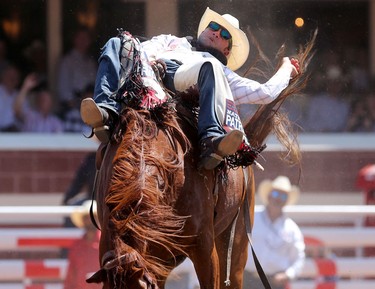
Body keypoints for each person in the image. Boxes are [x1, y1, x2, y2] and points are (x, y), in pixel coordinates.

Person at [80, 7, 299, 170]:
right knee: (118, 42)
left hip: (185, 78)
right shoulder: (171, 40)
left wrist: (287, 69)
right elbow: (143, 51)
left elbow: (265, 93)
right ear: (206, 28)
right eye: (214, 27)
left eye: (225, 35)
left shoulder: (222, 72)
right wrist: (152, 67)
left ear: (227, 50)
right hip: (146, 73)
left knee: (210, 65)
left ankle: (211, 140)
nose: (216, 33)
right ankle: (106, 112)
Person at [244, 175, 305, 289]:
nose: (278, 199)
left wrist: (287, 275)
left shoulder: (292, 229)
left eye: (283, 196)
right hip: (247, 279)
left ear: (286, 200)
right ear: (269, 195)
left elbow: (298, 258)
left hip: (274, 283)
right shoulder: (251, 218)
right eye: (276, 194)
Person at [57, 27, 97, 119]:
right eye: (81, 38)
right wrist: (74, 104)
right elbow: (63, 89)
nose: (84, 41)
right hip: (73, 108)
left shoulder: (90, 62)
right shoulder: (67, 61)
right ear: (74, 39)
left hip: (92, 106)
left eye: (86, 38)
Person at [63, 200, 101, 289]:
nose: (90, 220)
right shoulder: (77, 246)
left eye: (93, 217)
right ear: (83, 220)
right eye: (87, 217)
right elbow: (70, 276)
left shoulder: (107, 244)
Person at [0, 63, 21, 131]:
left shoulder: (20, 96)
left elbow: (25, 118)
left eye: (15, 77)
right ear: (3, 77)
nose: (12, 80)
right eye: (9, 76)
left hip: (15, 133)